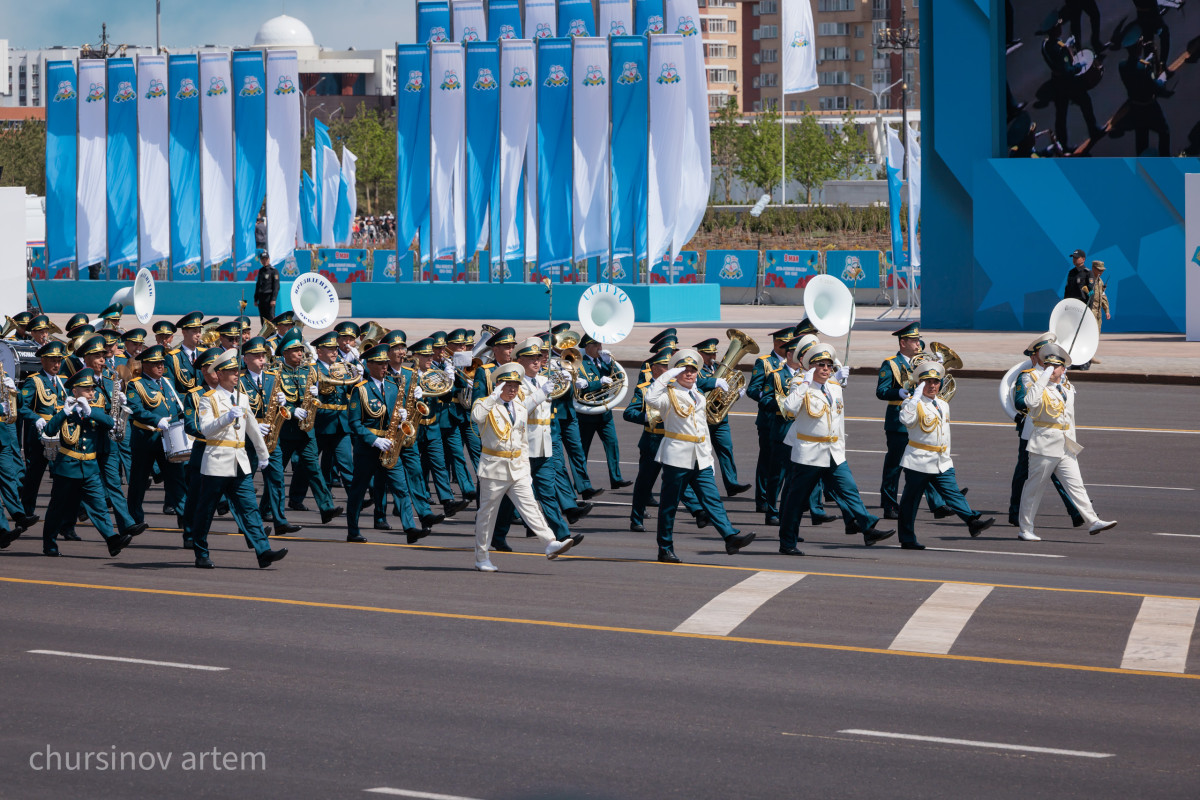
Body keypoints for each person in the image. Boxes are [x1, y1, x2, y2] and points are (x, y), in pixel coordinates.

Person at [778, 343, 895, 555]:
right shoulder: (801, 385)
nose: (826, 369)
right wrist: (805, 383)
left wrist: (841, 447)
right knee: (796, 501)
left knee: (849, 490)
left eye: (829, 365)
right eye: (820, 365)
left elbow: (838, 421)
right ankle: (787, 542)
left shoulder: (834, 387)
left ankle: (868, 528)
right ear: (810, 367)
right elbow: (789, 408)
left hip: (833, 451)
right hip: (809, 454)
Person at [646, 349, 756, 564]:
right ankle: (665, 548)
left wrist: (709, 458)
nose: (689, 373)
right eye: (684, 370)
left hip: (700, 457)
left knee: (712, 499)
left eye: (693, 370)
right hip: (677, 457)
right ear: (676, 372)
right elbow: (650, 398)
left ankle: (730, 537)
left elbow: (703, 429)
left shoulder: (698, 395)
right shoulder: (668, 395)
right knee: (669, 506)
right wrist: (668, 375)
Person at [470, 363, 581, 572]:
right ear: (499, 385)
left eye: (515, 386)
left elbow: (522, 442)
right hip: (494, 469)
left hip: (517, 468)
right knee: (487, 515)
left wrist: (526, 471)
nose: (513, 390)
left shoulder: (519, 407)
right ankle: (481, 557)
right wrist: (493, 396)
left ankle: (550, 542)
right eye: (508, 385)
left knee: (530, 506)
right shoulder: (485, 404)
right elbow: (476, 416)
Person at [191, 349, 287, 569]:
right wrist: (226, 417)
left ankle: (263, 551)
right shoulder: (208, 399)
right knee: (206, 510)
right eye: (232, 371)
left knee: (249, 508)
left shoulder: (242, 397)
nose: (237, 374)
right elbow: (206, 430)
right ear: (220, 374)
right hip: (217, 462)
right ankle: (201, 552)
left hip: (240, 462)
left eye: (238, 370)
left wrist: (263, 455)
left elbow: (252, 428)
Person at [1017, 343, 1116, 541]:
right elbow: (1029, 402)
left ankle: (1093, 521)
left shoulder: (1066, 388)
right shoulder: (1038, 385)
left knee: (1076, 485)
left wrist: (1072, 442)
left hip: (1065, 444)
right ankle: (1025, 529)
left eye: (1056, 367)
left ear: (1064, 369)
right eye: (1048, 366)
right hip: (1044, 445)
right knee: (1034, 489)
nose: (1052, 370)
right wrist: (1044, 375)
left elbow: (1069, 418)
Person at [896, 361, 995, 550]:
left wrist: (947, 457)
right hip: (919, 461)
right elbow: (906, 421)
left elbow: (944, 433)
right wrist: (914, 398)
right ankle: (907, 538)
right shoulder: (912, 403)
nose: (932, 385)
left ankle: (972, 521)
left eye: (935, 382)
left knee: (953, 493)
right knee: (911, 502)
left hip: (941, 461)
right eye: (927, 382)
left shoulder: (942, 404)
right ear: (919, 384)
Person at [490, 338, 577, 552]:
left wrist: (570, 382)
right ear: (519, 360)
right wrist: (542, 392)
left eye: (538, 357)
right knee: (512, 498)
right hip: (523, 447)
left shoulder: (543, 380)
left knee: (547, 493)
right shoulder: (514, 384)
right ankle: (497, 535)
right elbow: (519, 409)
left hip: (543, 446)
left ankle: (563, 535)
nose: (537, 362)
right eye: (531, 358)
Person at [39, 369, 136, 558]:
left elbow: (110, 423)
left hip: (90, 468)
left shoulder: (94, 411)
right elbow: (49, 431)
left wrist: (90, 411)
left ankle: (112, 540)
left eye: (92, 389)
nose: (92, 393)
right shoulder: (63, 410)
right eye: (87, 390)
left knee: (99, 506)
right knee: (57, 508)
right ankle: (49, 544)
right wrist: (65, 412)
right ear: (75, 391)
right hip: (67, 467)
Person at [1007, 333, 1084, 528]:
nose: (1049, 358)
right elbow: (1020, 402)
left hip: (1058, 433)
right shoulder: (1029, 376)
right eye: (1044, 354)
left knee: (1059, 474)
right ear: (1035, 357)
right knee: (1024, 474)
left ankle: (1076, 511)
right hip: (1034, 432)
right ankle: (1015, 512)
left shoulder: (1060, 377)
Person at [875, 323, 949, 519]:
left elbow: (934, 385)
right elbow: (881, 391)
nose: (918, 344)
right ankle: (890, 505)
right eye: (914, 341)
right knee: (895, 466)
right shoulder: (891, 364)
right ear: (903, 342)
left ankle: (937, 504)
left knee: (924, 463)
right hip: (899, 422)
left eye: (918, 340)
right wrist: (898, 392)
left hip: (920, 421)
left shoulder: (923, 362)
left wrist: (939, 367)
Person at [344, 344, 417, 544]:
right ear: (369, 365)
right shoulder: (361, 389)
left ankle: (410, 528)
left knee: (401, 488)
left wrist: (403, 417)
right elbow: (354, 423)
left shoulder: (393, 387)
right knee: (359, 490)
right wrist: (374, 440)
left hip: (391, 445)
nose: (385, 366)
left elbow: (395, 415)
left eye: (386, 362)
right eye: (380, 363)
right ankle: (353, 531)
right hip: (368, 448)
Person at [275, 329, 345, 526]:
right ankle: (268, 509)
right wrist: (291, 409)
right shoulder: (277, 373)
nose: (300, 353)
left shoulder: (308, 371)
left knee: (314, 468)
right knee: (277, 473)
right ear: (285, 352)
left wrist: (317, 394)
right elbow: (274, 402)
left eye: (301, 350)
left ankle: (327, 508)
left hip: (306, 430)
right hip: (285, 431)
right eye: (296, 350)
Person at [126, 345, 189, 525]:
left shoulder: (167, 382)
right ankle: (135, 519)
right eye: (155, 363)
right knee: (138, 482)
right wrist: (156, 420)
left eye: (161, 362)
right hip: (146, 440)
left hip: (169, 440)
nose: (161, 366)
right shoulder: (136, 384)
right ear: (145, 365)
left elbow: (177, 406)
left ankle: (185, 520)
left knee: (177, 480)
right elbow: (135, 409)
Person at [747, 326, 796, 525]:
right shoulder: (765, 362)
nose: (788, 348)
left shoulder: (798, 366)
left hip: (790, 422)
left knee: (787, 465)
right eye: (785, 345)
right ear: (777, 343)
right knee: (768, 462)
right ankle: (763, 501)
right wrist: (771, 399)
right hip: (769, 420)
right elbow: (753, 389)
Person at [694, 337, 751, 497]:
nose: (713, 357)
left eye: (714, 353)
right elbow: (695, 383)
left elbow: (724, 391)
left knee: (726, 448)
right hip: (701, 418)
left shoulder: (719, 368)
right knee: (702, 454)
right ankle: (701, 487)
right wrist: (713, 382)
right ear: (700, 354)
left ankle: (731, 483)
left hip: (719, 418)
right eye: (708, 354)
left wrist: (736, 393)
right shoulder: (694, 369)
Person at [574, 334, 631, 491]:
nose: (600, 348)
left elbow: (618, 378)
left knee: (612, 444)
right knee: (583, 449)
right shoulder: (579, 364)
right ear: (587, 347)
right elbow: (580, 388)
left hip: (604, 413)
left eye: (600, 344)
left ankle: (616, 478)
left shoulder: (603, 361)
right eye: (596, 345)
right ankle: (581, 483)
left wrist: (609, 362)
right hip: (587, 414)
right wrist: (598, 383)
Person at [18, 341, 67, 518]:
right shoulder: (34, 381)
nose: (57, 365)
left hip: (60, 433)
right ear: (43, 361)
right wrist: (36, 418)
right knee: (34, 475)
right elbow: (21, 407)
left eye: (59, 361)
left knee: (61, 475)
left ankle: (58, 513)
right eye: (53, 360)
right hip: (40, 434)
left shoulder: (62, 381)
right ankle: (26, 512)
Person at [1088, 260, 1111, 363]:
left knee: (1096, 333)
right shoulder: (1089, 279)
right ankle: (1088, 355)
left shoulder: (1100, 281)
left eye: (1102, 270)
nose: (1101, 272)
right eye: (1099, 270)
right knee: (1089, 333)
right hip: (1090, 310)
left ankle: (1091, 355)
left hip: (1098, 311)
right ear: (1093, 268)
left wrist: (1106, 310)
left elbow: (1103, 296)